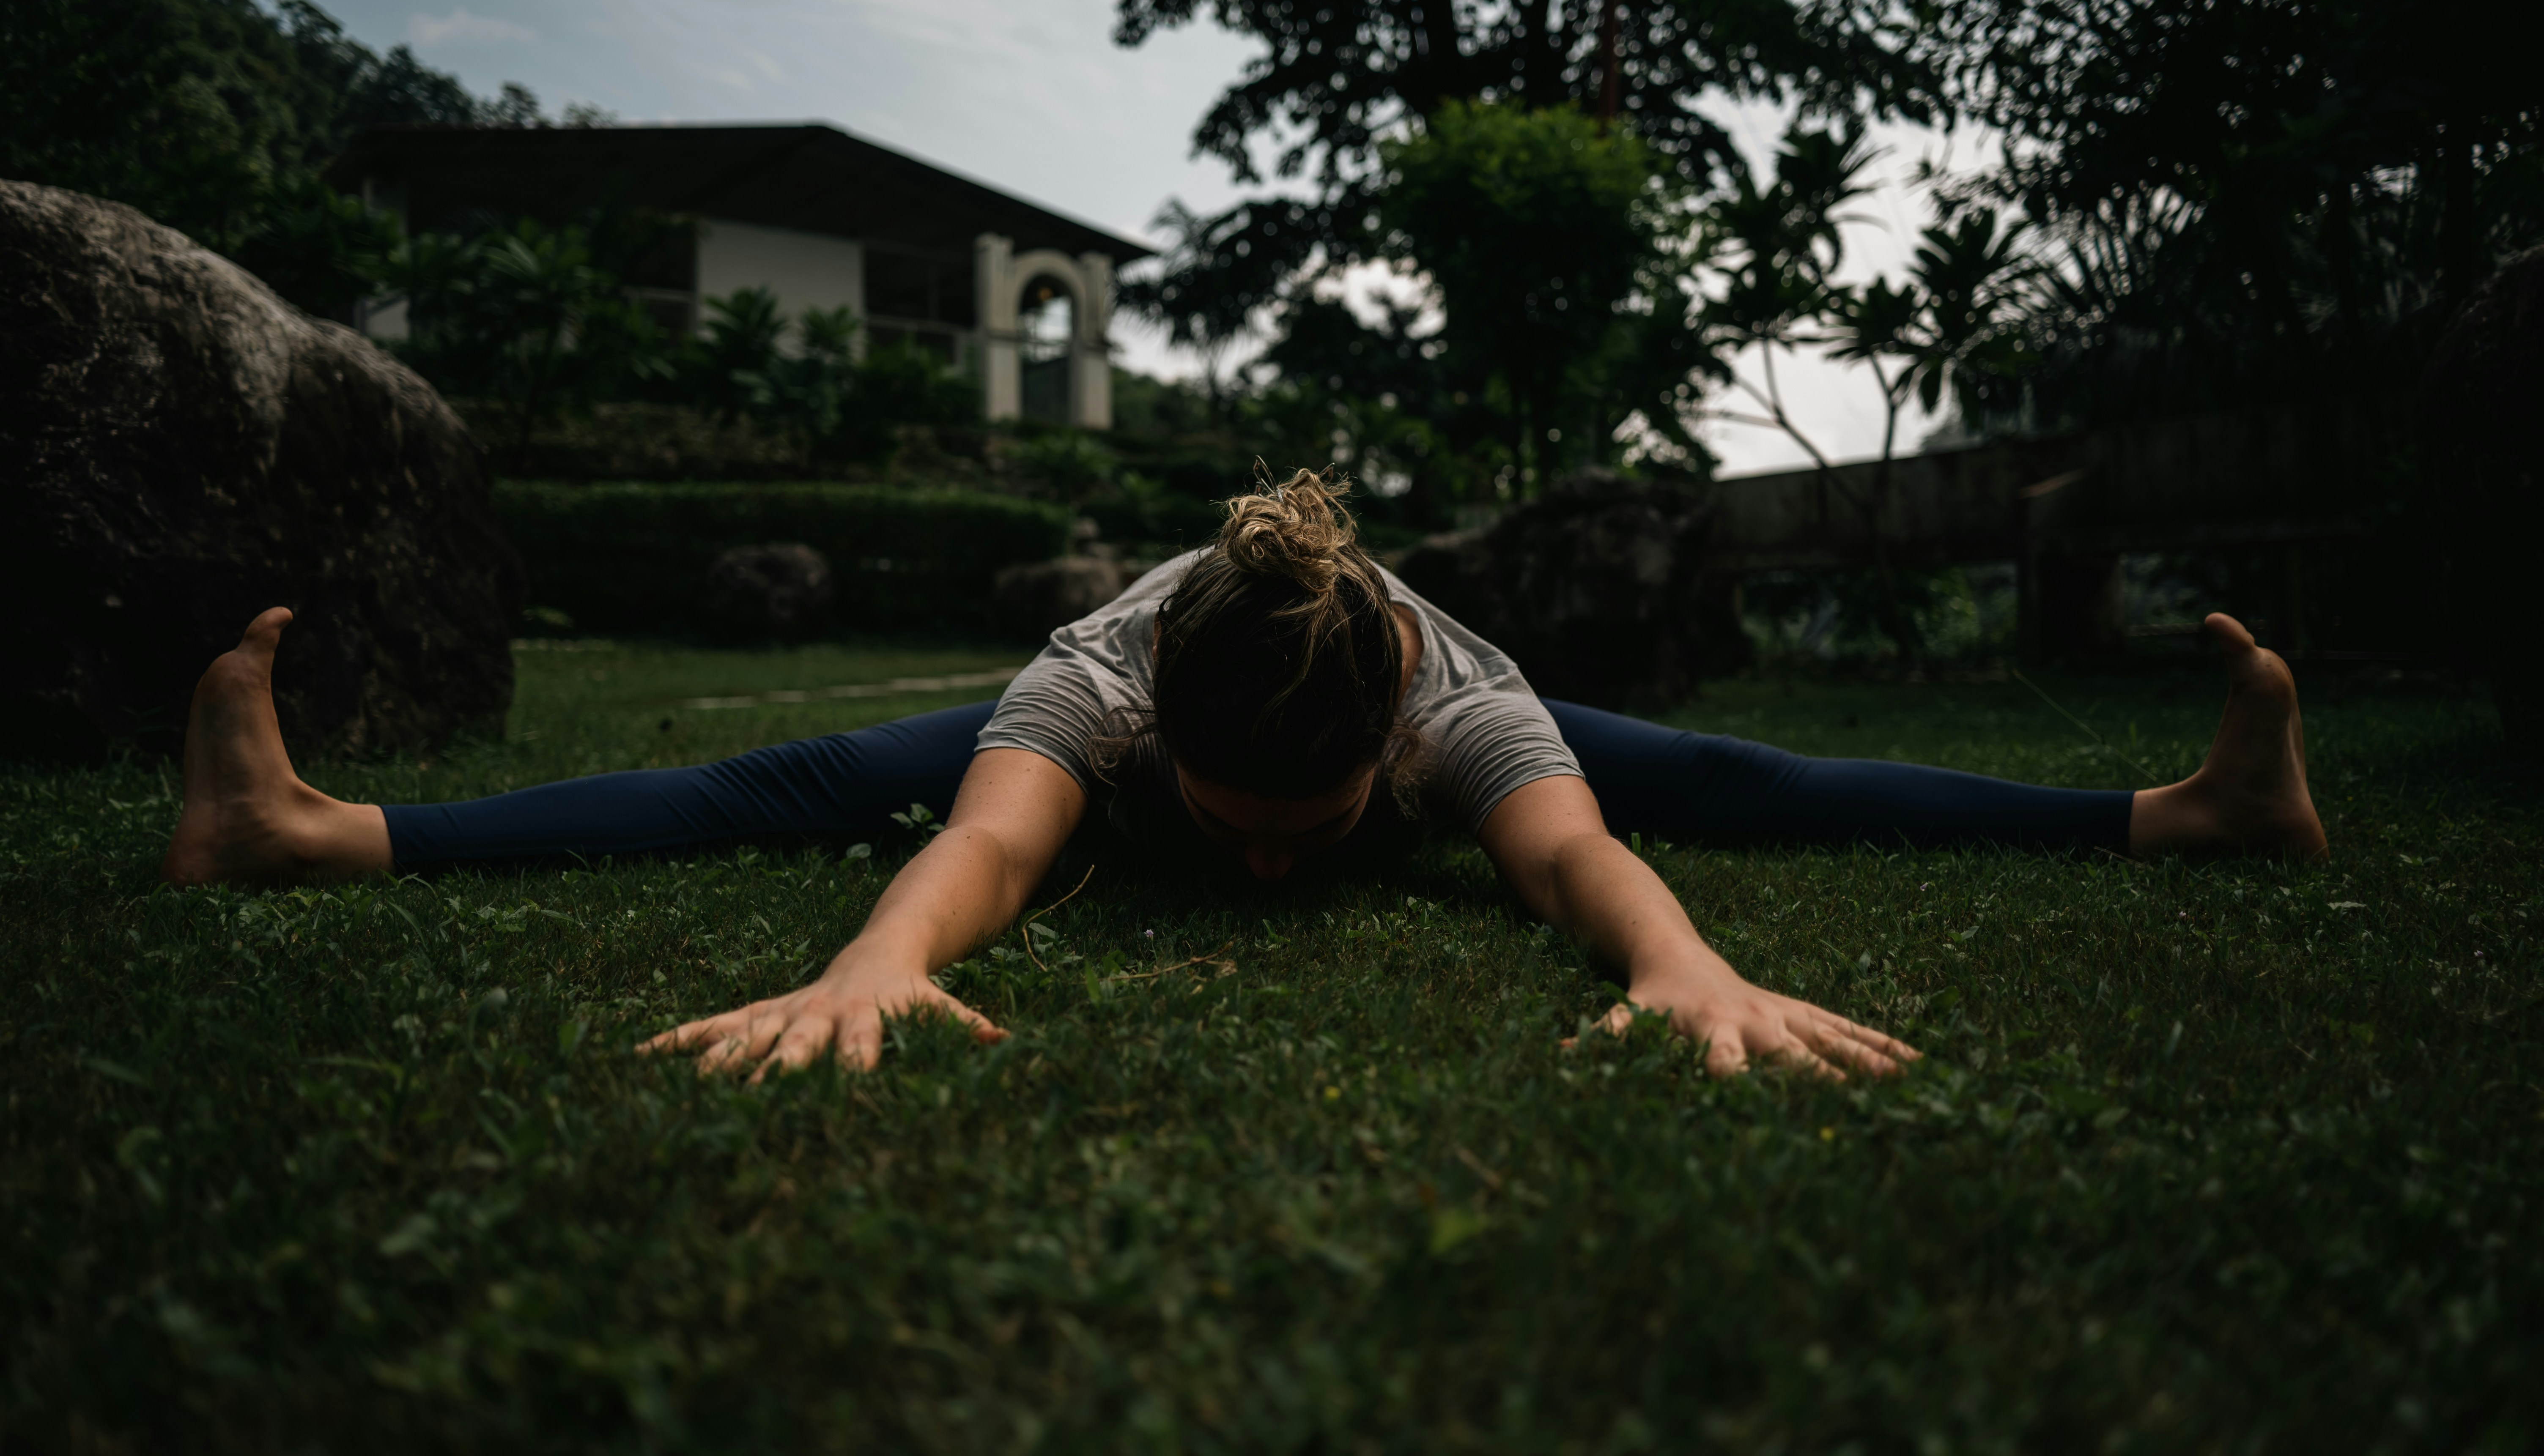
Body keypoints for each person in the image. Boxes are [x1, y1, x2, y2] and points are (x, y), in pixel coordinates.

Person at [160, 470, 2326, 1080]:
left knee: (1732, 772)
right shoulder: (1103, 689)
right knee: (811, 774)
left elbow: (1576, 868)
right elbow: (979, 853)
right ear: (1156, 753)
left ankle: (2192, 810)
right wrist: (871, 968)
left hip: (1436, 686)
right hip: (1109, 673)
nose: (1278, 888)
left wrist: (1681, 972)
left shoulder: (1451, 704)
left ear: (1380, 742)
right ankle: (305, 827)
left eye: (1306, 843)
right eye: (1229, 835)